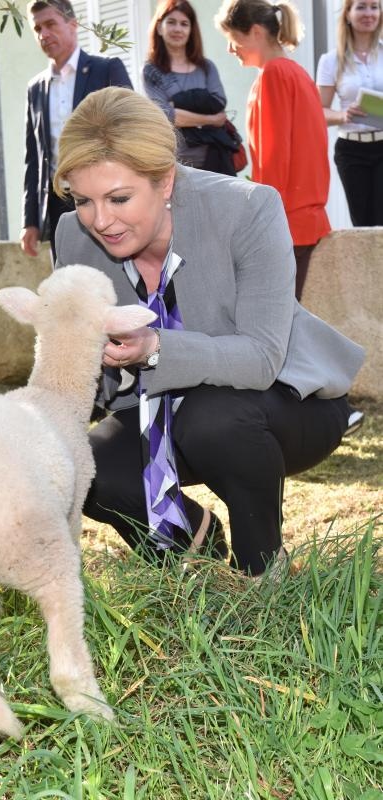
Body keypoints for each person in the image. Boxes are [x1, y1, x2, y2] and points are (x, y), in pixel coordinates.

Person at [51, 87, 364, 578]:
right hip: (161, 410)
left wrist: (155, 348)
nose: (101, 221)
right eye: (83, 199)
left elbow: (262, 357)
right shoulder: (73, 235)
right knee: (82, 470)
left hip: (287, 401)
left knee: (213, 417)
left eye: (119, 198)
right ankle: (192, 553)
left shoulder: (248, 209)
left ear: (166, 181)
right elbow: (78, 369)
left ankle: (262, 572)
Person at [215, 0, 331, 300]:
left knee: (278, 325)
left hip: (286, 220)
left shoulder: (273, 75)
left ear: (254, 32)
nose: (231, 49)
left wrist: (262, 220)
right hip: (304, 219)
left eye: (232, 39)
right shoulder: (296, 72)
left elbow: (274, 155)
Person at [19, 0, 132, 261]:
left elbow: (128, 128)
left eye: (50, 24)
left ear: (72, 25)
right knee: (67, 281)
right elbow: (33, 158)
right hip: (58, 200)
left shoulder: (106, 69)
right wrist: (31, 220)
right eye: (37, 28)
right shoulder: (35, 88)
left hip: (105, 195)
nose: (43, 34)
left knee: (115, 277)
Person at [143, 0, 237, 175]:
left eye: (184, 24)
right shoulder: (152, 71)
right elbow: (166, 116)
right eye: (171, 22)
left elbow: (218, 102)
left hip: (216, 160)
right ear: (159, 28)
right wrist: (210, 119)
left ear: (191, 30)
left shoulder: (207, 67)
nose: (178, 29)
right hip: (177, 164)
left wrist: (178, 107)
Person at [316, 0, 383, 227]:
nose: (369, 13)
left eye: (375, 7)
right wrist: (344, 115)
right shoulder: (330, 60)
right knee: (363, 225)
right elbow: (319, 112)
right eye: (362, 7)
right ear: (348, 14)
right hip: (352, 151)